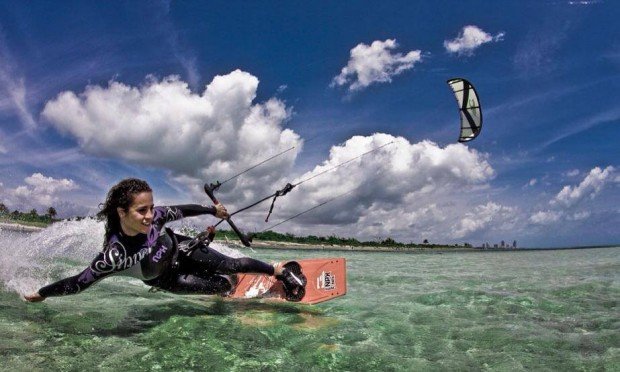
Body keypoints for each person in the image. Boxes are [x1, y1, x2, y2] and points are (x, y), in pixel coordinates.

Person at [24, 178, 303, 302]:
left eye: (150, 208)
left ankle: (278, 270)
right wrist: (43, 293)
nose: (150, 216)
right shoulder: (115, 255)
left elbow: (183, 209)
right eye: (141, 210)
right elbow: (78, 282)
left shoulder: (157, 217)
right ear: (122, 212)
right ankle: (224, 286)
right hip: (166, 279)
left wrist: (212, 209)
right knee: (220, 286)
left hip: (182, 249)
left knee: (232, 264)